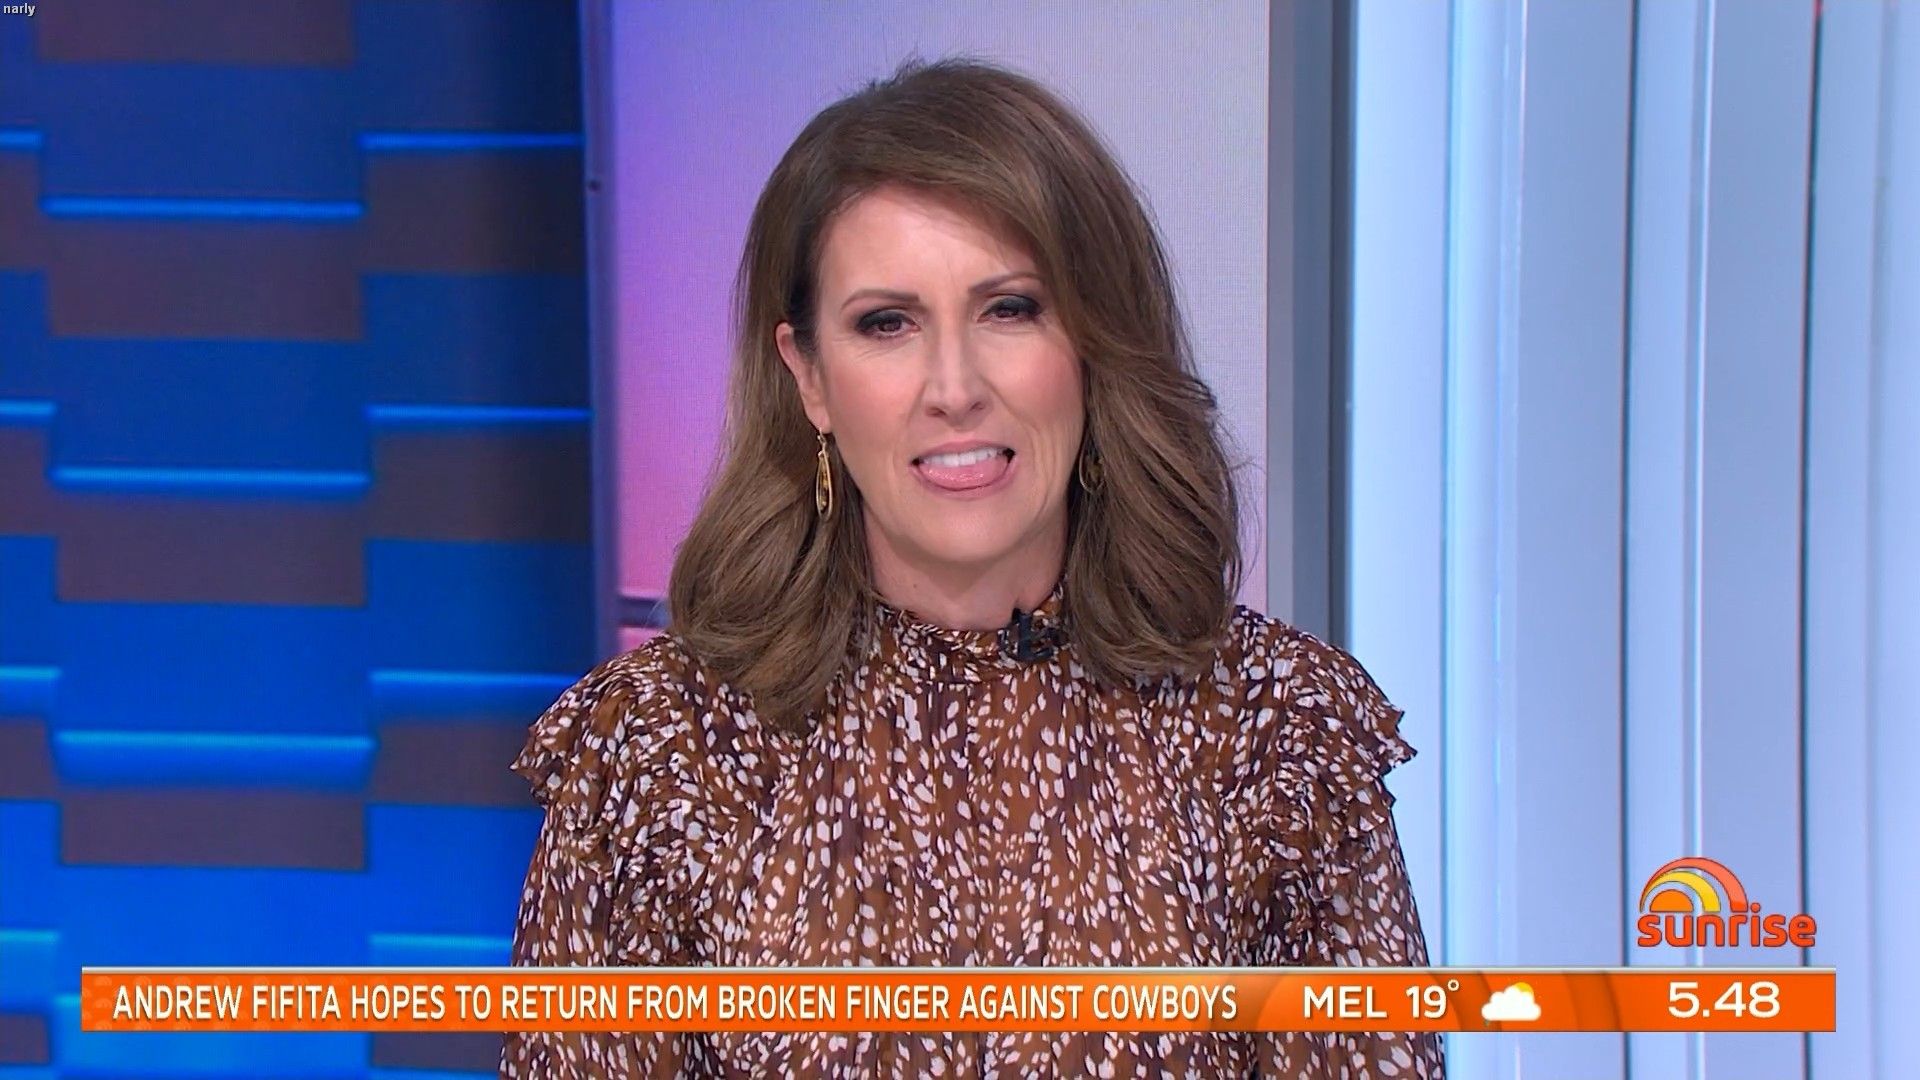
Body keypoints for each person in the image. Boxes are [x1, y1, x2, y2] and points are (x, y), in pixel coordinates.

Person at [503, 56, 1443, 1078]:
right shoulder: (656, 752)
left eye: (1010, 309)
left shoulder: (1280, 732)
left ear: (1093, 346)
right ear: (809, 376)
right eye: (887, 324)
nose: (953, 388)